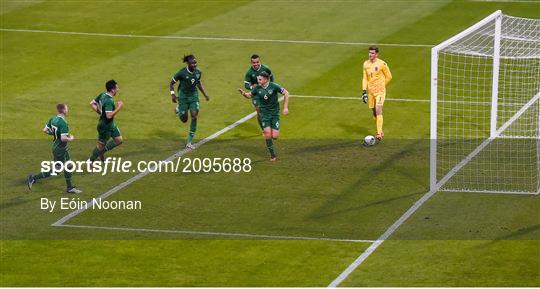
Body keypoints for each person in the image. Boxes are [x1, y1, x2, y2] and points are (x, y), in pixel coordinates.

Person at [27, 104, 82, 194]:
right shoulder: (63, 123)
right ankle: (33, 178)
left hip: (58, 147)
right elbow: (63, 138)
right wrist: (71, 138)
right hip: (60, 149)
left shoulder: (53, 119)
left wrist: (56, 135)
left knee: (68, 166)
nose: (68, 110)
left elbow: (45, 130)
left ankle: (69, 187)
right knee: (57, 170)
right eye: (67, 108)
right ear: (64, 110)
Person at [238, 71, 289, 161]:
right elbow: (249, 95)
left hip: (274, 114)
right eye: (258, 79)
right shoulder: (257, 88)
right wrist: (244, 94)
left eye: (260, 79)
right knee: (267, 134)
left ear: (265, 80)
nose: (258, 80)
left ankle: (273, 139)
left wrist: (285, 108)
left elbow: (286, 93)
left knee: (275, 136)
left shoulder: (274, 86)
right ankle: (272, 155)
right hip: (264, 114)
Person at [169, 54, 210, 149]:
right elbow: (171, 83)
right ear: (188, 63)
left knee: (194, 116)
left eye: (195, 62)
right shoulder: (182, 73)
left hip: (193, 96)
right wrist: (172, 94)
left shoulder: (198, 72)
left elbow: (198, 83)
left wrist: (205, 94)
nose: (195, 65)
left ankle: (189, 142)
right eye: (192, 63)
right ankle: (179, 109)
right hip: (183, 97)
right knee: (184, 119)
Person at [88, 79, 124, 163]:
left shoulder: (103, 94)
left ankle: (102, 153)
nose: (118, 90)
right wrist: (119, 107)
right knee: (100, 145)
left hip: (111, 124)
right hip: (105, 126)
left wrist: (101, 113)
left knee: (119, 140)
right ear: (112, 89)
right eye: (117, 88)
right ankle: (91, 161)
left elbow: (92, 103)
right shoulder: (108, 101)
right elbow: (109, 115)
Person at [362, 46, 392, 140]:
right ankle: (380, 130)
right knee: (374, 112)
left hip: (380, 91)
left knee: (378, 109)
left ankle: (379, 133)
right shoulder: (365, 64)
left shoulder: (382, 64)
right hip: (370, 92)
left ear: (376, 54)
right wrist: (364, 92)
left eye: (372, 53)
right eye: (369, 53)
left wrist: (382, 86)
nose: (370, 55)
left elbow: (389, 76)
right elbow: (365, 78)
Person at [243, 54, 273, 132]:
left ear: (260, 61)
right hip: (256, 95)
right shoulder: (249, 72)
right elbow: (246, 84)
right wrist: (252, 87)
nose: (256, 64)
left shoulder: (265, 68)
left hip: (265, 92)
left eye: (257, 62)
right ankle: (264, 130)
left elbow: (271, 77)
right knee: (259, 112)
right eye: (254, 62)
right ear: (251, 62)